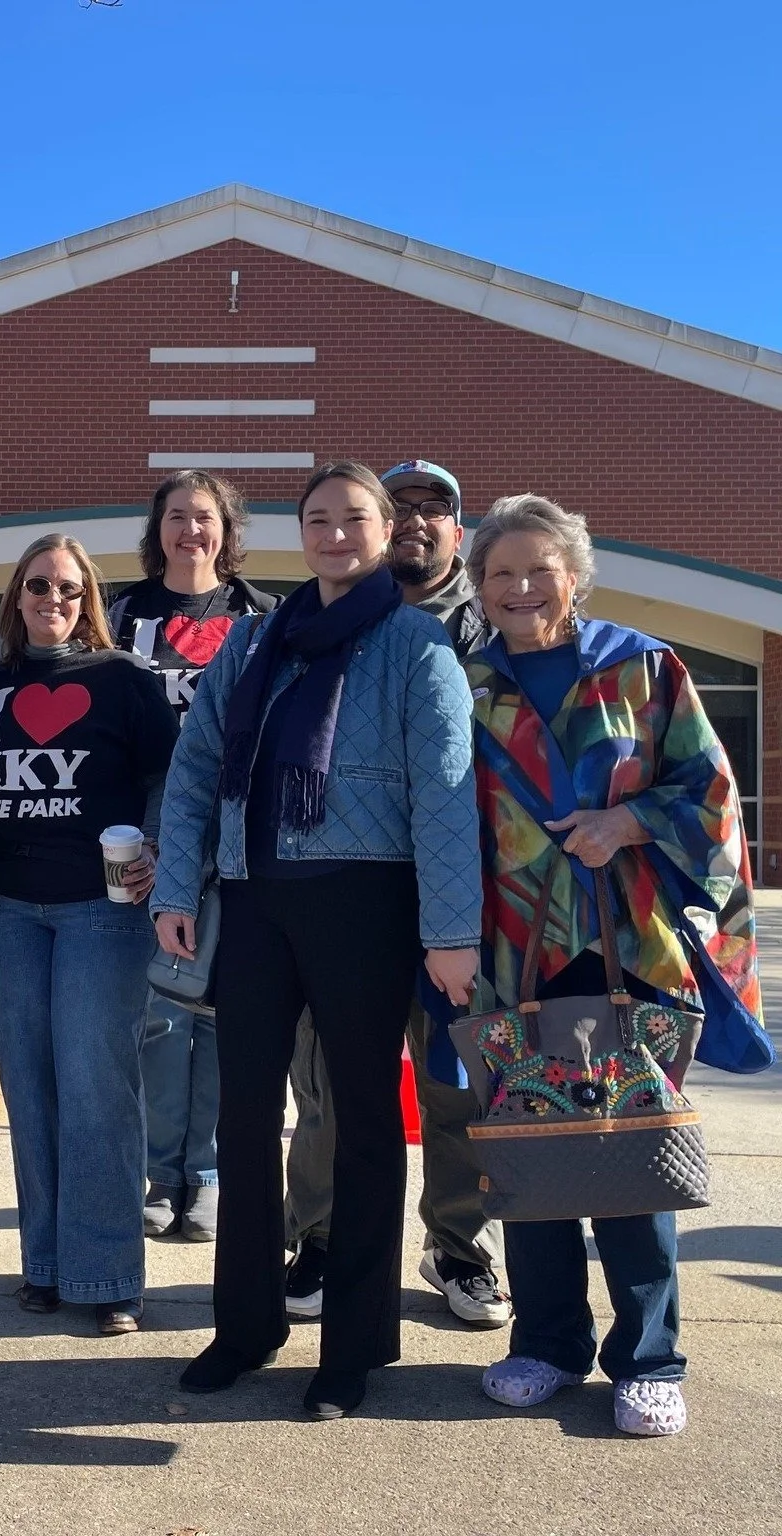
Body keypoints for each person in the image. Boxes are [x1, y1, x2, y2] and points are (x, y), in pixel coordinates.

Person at [153, 461, 481, 1417]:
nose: (335, 533)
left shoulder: (418, 647)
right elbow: (197, 768)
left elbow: (448, 800)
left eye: (354, 519)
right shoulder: (258, 640)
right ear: (300, 532)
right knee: (244, 1118)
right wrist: (179, 882)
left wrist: (450, 933)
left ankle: (356, 1344)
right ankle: (246, 1324)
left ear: (387, 533)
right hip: (256, 904)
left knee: (367, 1123)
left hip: (365, 906)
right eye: (319, 518)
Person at [465, 494, 768, 1438]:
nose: (520, 588)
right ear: (478, 585)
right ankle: (545, 1343)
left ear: (575, 575)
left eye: (539, 570)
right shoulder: (460, 682)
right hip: (512, 951)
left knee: (634, 1158)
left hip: (629, 942)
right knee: (531, 1153)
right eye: (501, 572)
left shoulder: (642, 667)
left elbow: (711, 797)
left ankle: (649, 1357)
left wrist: (626, 822)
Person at [282, 459, 508, 1329]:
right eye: (400, 505)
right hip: (347, 901)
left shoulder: (498, 630)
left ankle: (457, 1244)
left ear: (461, 530)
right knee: (331, 1088)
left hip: (466, 903)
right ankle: (324, 1239)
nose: (416, 520)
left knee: (458, 1088)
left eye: (436, 508)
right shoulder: (326, 624)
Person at [0, 534, 178, 1336]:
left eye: (68, 586)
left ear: (87, 598)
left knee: (96, 1091)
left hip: (102, 908)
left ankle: (110, 1275)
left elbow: (167, 776)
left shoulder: (124, 679)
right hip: (10, 914)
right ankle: (47, 1267)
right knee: (30, 1087)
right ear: (16, 598)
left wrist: (154, 845)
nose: (51, 597)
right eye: (36, 585)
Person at [107, 470, 277, 1244]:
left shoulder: (260, 618)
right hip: (146, 828)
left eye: (204, 518)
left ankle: (205, 1173)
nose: (190, 532)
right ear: (158, 529)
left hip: (235, 829)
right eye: (176, 517)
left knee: (219, 1012)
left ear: (227, 530)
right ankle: (159, 1171)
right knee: (159, 1011)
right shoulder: (118, 617)